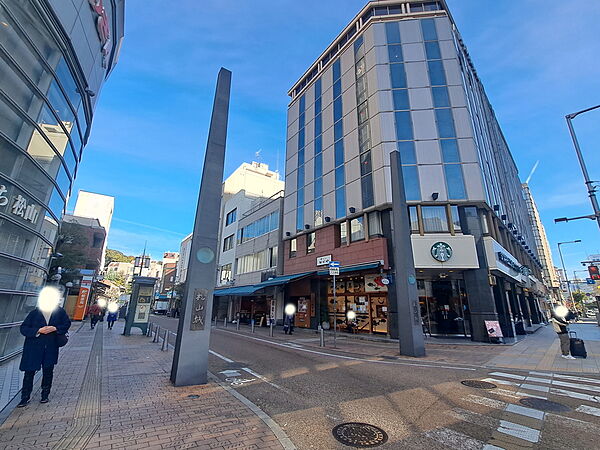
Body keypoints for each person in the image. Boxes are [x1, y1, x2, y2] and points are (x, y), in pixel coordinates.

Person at [18, 287, 71, 407]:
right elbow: (24, 328)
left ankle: (45, 395)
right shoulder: (34, 313)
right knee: (29, 373)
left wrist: (55, 328)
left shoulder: (60, 312)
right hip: (33, 347)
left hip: (50, 347)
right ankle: (24, 397)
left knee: (48, 372)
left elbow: (67, 323)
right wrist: (38, 330)